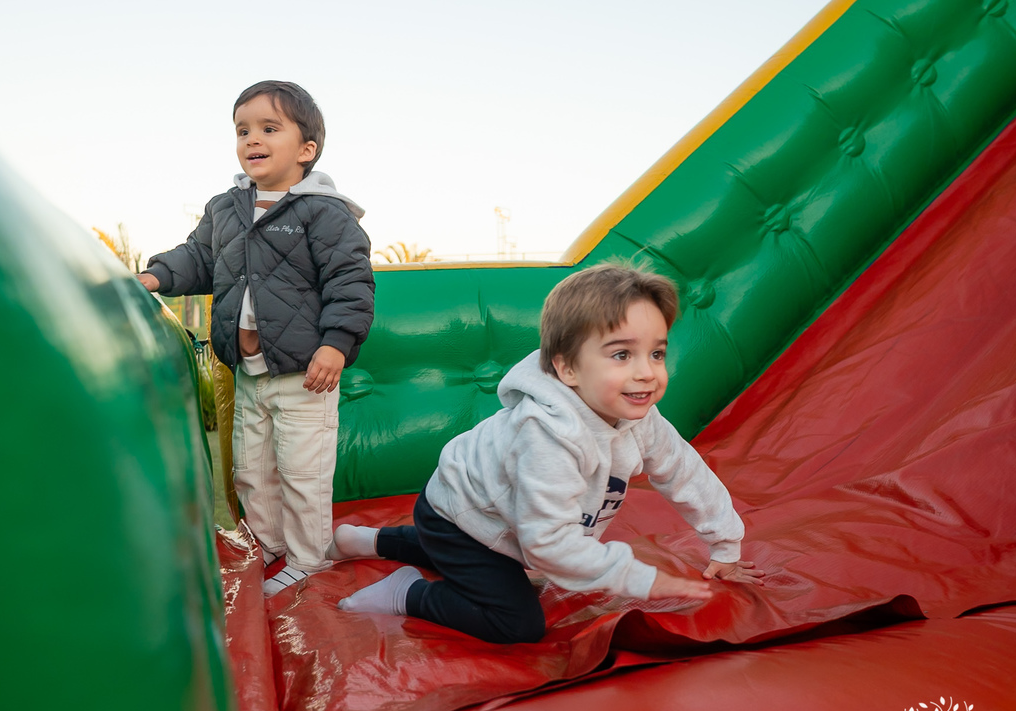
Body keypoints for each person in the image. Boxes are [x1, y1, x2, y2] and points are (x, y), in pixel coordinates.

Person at [332, 263, 763, 642]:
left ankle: (369, 540)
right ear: (567, 367)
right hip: (457, 515)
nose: (646, 372)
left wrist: (725, 545)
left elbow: (684, 472)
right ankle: (408, 592)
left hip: (486, 516)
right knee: (516, 622)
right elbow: (546, 546)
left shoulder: (639, 417)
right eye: (621, 354)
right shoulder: (548, 434)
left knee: (477, 552)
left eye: (656, 353)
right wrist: (639, 578)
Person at [137, 80, 374, 597]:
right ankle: (266, 544)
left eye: (269, 128)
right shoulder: (227, 208)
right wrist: (155, 276)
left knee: (301, 472)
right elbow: (198, 258)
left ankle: (309, 558)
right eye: (243, 130)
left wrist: (335, 344)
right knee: (252, 469)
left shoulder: (324, 213)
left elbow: (350, 283)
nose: (252, 139)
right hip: (250, 374)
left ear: (306, 150)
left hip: (303, 374)